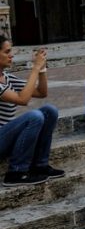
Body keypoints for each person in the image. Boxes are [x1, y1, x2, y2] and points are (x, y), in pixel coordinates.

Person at [0, 40, 63, 187]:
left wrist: (41, 70)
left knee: (49, 111)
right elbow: (22, 99)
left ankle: (40, 165)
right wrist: (34, 68)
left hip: (5, 137)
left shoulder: (7, 77)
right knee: (34, 117)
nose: (12, 55)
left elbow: (42, 92)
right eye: (7, 52)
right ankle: (15, 172)